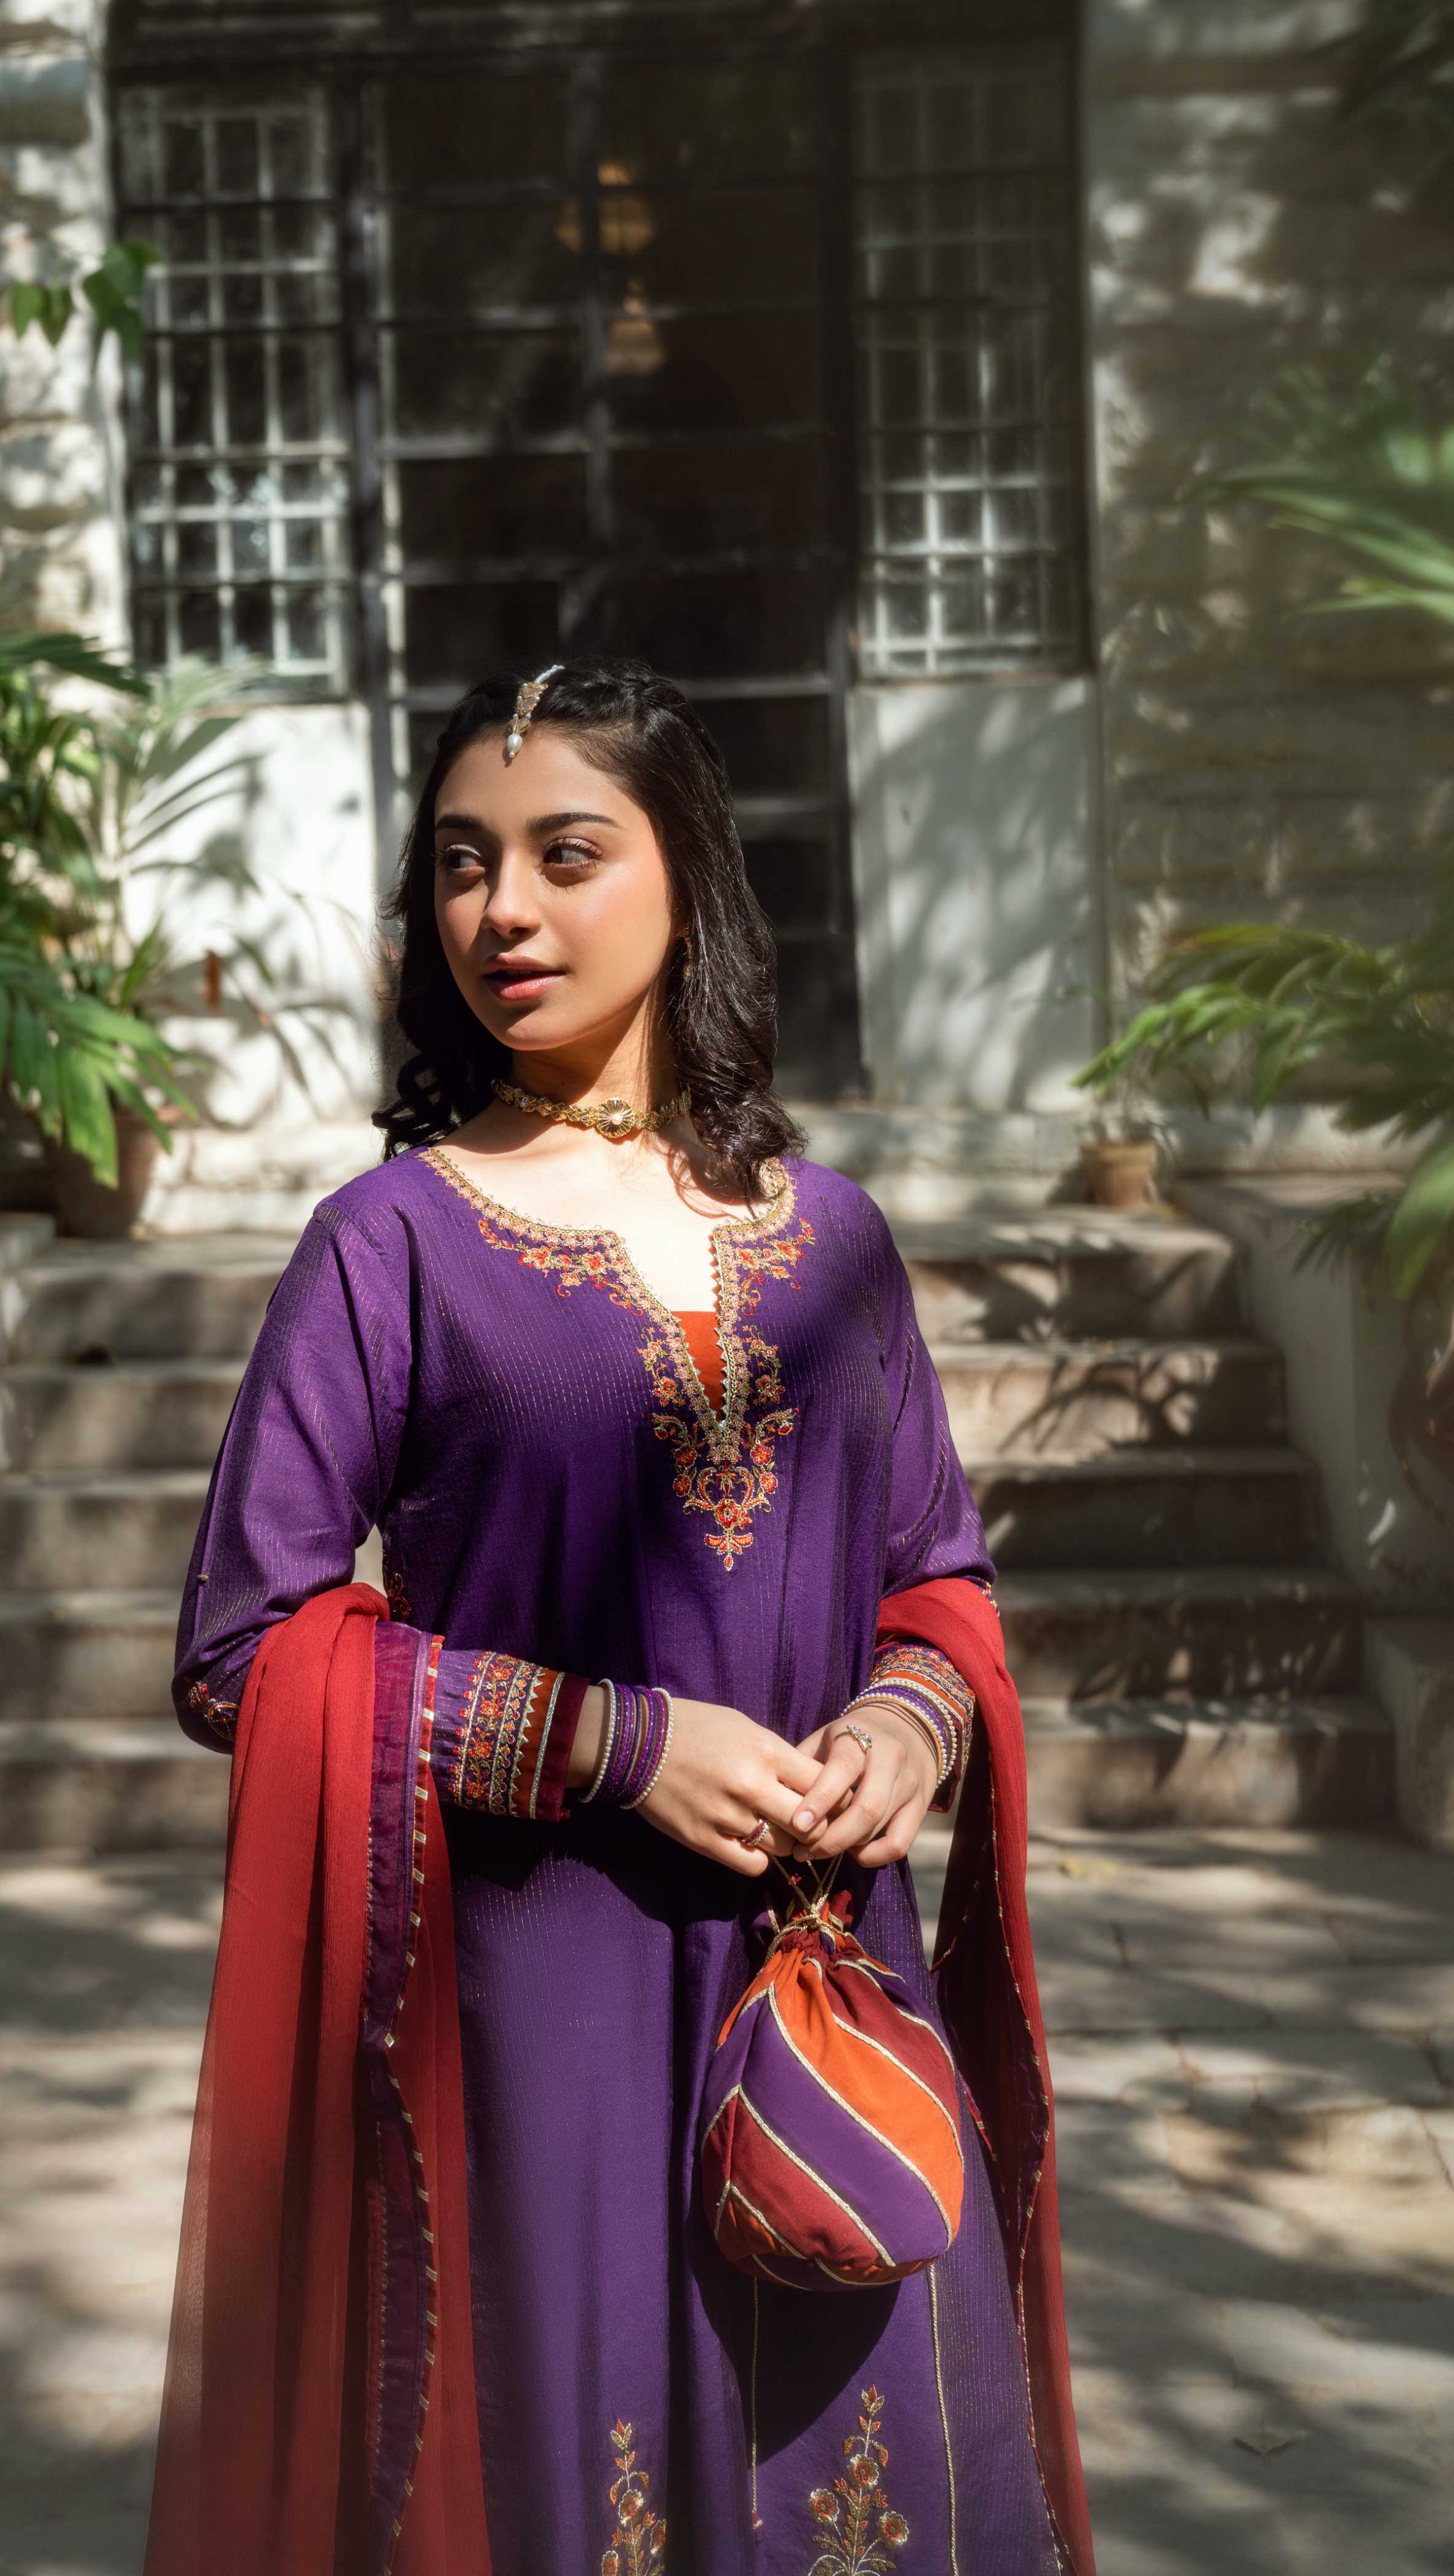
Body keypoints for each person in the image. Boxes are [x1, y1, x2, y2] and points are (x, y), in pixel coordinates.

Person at [145, 662, 1093, 2576]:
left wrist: (905, 1727)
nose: (502, 911)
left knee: (861, 2478)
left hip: (822, 1986)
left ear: (685, 879)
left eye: (565, 855)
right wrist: (617, 1746)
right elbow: (246, 1647)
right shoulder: (393, 1246)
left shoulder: (830, 1239)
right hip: (539, 2006)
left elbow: (933, 1575)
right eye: (460, 864)